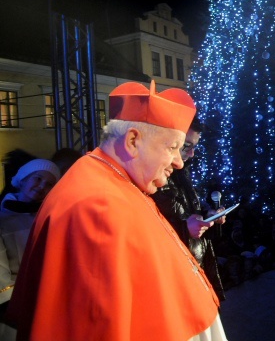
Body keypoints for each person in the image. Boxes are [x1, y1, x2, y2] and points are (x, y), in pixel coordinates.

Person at [3, 80, 225, 340]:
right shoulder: (95, 205)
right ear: (133, 140)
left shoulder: (114, 181)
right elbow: (99, 324)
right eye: (173, 147)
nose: (178, 162)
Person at [152, 115, 227, 301]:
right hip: (176, 275)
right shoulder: (151, 178)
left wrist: (207, 217)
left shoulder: (181, 172)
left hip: (195, 266)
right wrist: (185, 229)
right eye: (185, 146)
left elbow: (185, 213)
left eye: (194, 147)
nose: (190, 154)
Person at [0, 158, 60, 333]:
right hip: (13, 306)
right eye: (38, 178)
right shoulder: (2, 219)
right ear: (24, 179)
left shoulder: (51, 217)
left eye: (49, 184)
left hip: (47, 300)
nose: (42, 186)